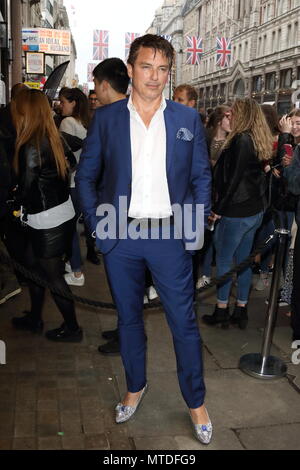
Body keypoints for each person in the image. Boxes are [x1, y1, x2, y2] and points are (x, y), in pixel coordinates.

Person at [76, 34, 212, 444]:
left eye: (163, 69)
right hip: (122, 235)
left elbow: (201, 177)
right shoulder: (108, 118)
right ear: (131, 69)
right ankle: (135, 387)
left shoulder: (188, 120)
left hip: (171, 235)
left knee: (183, 323)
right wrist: (99, 227)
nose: (155, 77)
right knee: (129, 320)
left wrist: (195, 228)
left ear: (170, 74)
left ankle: (196, 401)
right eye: (147, 67)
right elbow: (86, 177)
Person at [10, 88, 82, 342]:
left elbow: (27, 189)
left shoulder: (31, 144)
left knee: (52, 276)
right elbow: (71, 163)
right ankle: (35, 318)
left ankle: (72, 329)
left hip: (46, 218)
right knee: (35, 268)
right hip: (59, 213)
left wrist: (15, 196)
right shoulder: (53, 136)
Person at [202, 98, 273, 329]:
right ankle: (241, 309)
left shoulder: (242, 139)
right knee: (242, 261)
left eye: (233, 113)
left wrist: (217, 210)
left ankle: (222, 309)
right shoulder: (252, 138)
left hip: (237, 211)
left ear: (243, 116)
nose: (229, 116)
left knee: (224, 260)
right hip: (252, 210)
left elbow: (232, 180)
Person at [59, 87, 92, 285]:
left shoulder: (67, 123)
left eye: (63, 102)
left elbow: (63, 158)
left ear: (73, 103)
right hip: (84, 183)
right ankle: (73, 265)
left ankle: (77, 271)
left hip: (71, 183)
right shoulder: (86, 124)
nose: (61, 105)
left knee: (68, 228)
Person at [196, 106, 231, 290]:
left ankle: (213, 275)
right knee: (207, 237)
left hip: (223, 196)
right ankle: (205, 274)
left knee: (217, 238)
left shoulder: (233, 142)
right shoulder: (206, 138)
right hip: (207, 192)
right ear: (219, 121)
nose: (231, 121)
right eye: (228, 118)